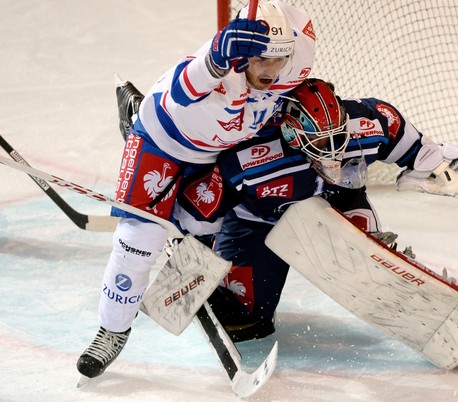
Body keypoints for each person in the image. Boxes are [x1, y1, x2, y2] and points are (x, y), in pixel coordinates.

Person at [77, 1, 316, 379]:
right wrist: (216, 60)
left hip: (213, 153)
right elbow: (184, 89)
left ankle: (189, 279)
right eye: (262, 61)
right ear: (242, 56)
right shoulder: (216, 66)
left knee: (200, 237)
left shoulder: (299, 49)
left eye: (279, 60)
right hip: (161, 144)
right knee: (138, 242)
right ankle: (112, 330)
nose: (272, 71)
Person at [172, 78, 458, 342]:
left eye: (337, 137)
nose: (332, 151)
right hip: (256, 221)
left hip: (337, 203)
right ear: (291, 133)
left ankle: (394, 267)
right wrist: (194, 267)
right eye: (320, 142)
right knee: (245, 322)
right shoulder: (246, 156)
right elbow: (197, 214)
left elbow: (424, 154)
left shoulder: (371, 120)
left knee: (371, 260)